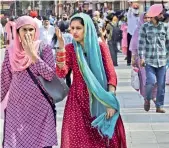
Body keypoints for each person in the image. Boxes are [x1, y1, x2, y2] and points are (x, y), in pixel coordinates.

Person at [56, 13, 127, 148]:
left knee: (101, 139)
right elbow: (61, 72)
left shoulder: (100, 47)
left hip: (99, 98)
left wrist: (109, 102)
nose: (74, 32)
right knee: (78, 140)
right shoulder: (70, 49)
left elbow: (111, 75)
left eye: (78, 28)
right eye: (72, 28)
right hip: (77, 100)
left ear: (86, 28)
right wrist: (61, 46)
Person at [0, 16, 57, 148]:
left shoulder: (44, 48)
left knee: (42, 143)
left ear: (35, 30)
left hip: (40, 108)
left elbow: (50, 75)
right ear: (18, 32)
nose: (28, 33)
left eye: (31, 29)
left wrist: (33, 56)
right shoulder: (11, 52)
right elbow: (4, 80)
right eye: (24, 29)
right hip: (17, 108)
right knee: (15, 143)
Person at [138, 4, 169, 113]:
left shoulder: (165, 27)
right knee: (151, 81)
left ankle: (159, 106)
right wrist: (141, 57)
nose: (162, 15)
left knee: (161, 84)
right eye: (160, 13)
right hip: (149, 61)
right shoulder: (145, 27)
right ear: (155, 14)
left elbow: (168, 43)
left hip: (162, 61)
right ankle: (147, 99)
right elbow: (141, 44)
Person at [129, 13, 157, 102]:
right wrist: (133, 58)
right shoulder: (138, 30)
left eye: (149, 17)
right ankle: (147, 97)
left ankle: (155, 96)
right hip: (142, 58)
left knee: (155, 78)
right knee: (145, 78)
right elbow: (134, 45)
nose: (147, 19)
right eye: (145, 18)